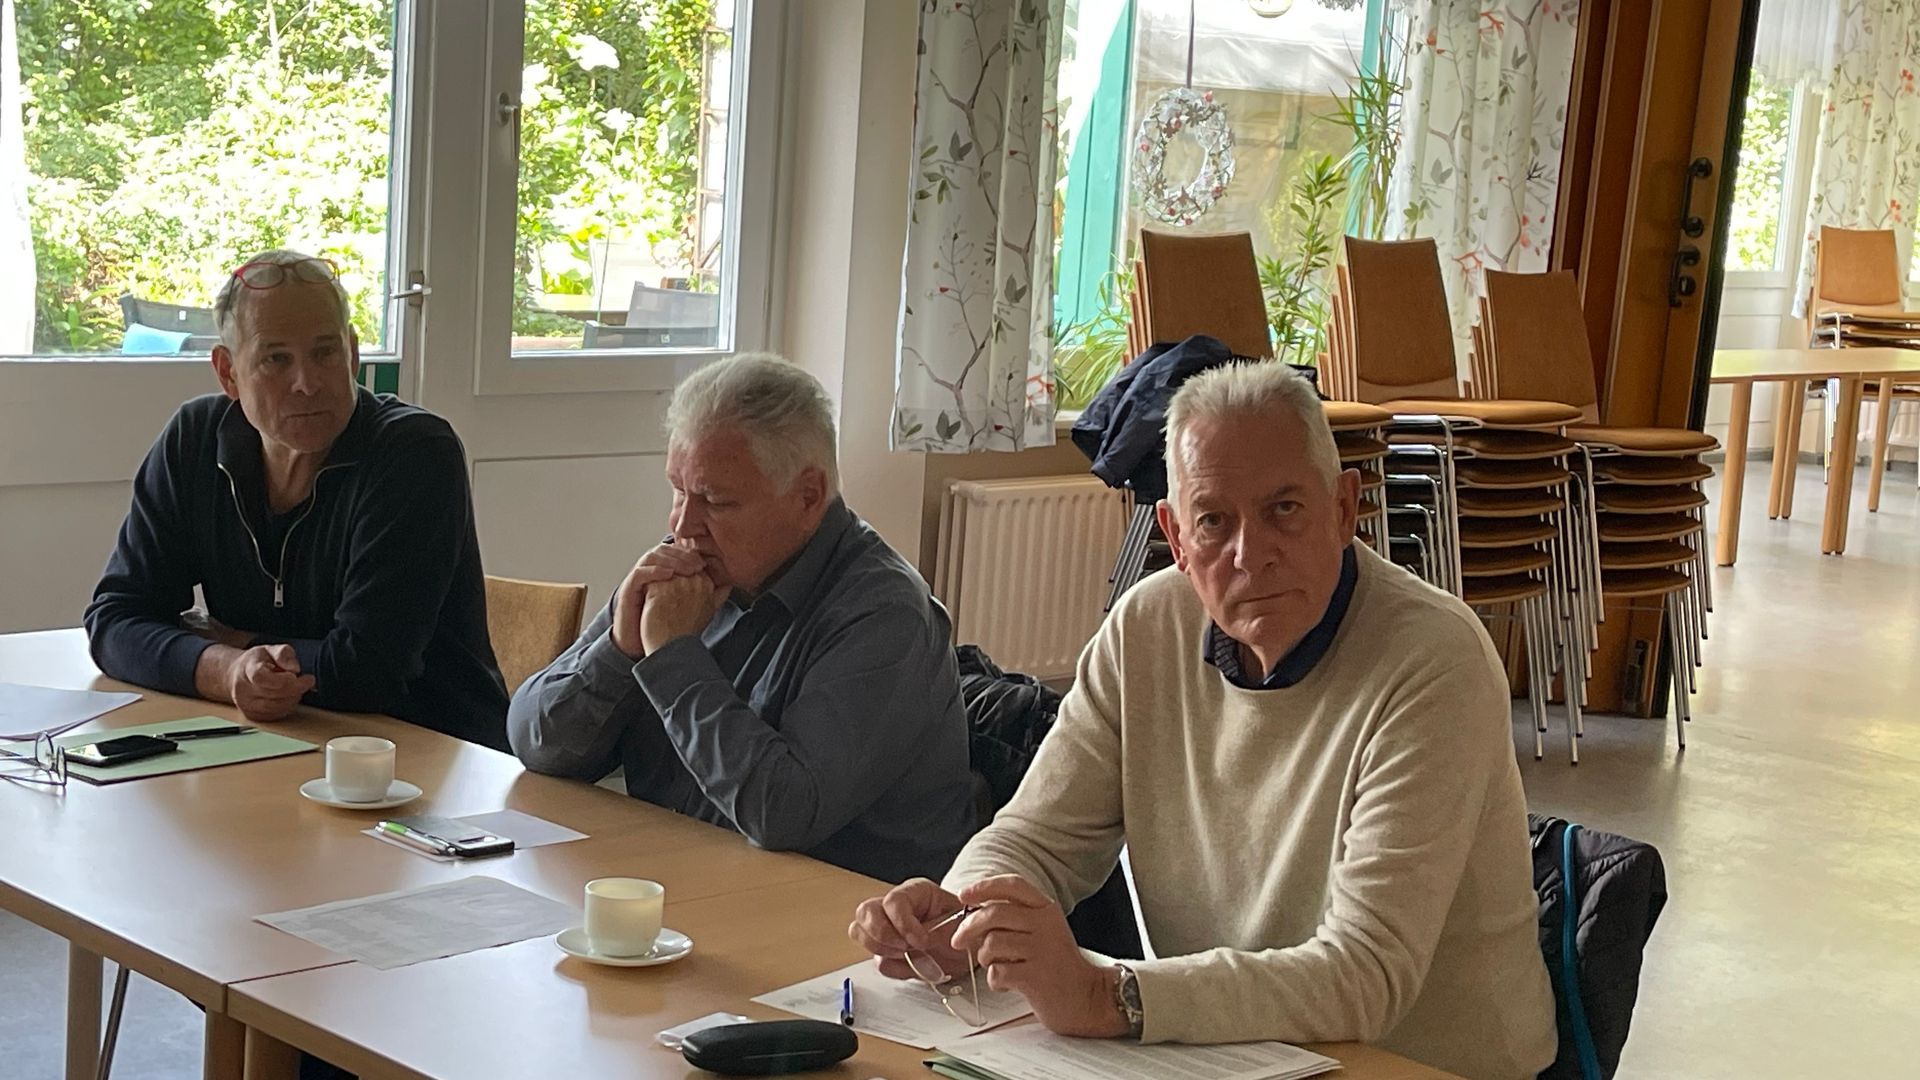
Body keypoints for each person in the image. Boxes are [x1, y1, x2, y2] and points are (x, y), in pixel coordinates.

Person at [850, 362, 1557, 1079]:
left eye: (1284, 509)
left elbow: (1365, 974)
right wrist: (963, 916)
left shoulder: (1435, 659)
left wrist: (1109, 995)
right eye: (1214, 521)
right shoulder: (1146, 628)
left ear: (1344, 508)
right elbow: (1037, 836)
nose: (1251, 554)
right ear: (1177, 536)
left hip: (1419, 1063)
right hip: (1232, 1053)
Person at [508, 353, 975, 884]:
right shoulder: (687, 571)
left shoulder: (886, 616)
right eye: (678, 491)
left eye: (715, 500)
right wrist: (620, 649)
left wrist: (672, 658)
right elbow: (535, 741)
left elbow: (784, 813)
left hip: (835, 911)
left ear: (807, 496)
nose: (683, 525)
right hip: (686, 876)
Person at [85, 249, 509, 750]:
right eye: (276, 359)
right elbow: (114, 621)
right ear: (228, 373)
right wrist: (228, 669)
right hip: (275, 745)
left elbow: (367, 671)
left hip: (430, 754)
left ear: (353, 355)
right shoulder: (195, 441)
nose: (307, 384)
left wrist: (241, 643)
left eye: (325, 353)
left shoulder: (414, 453)